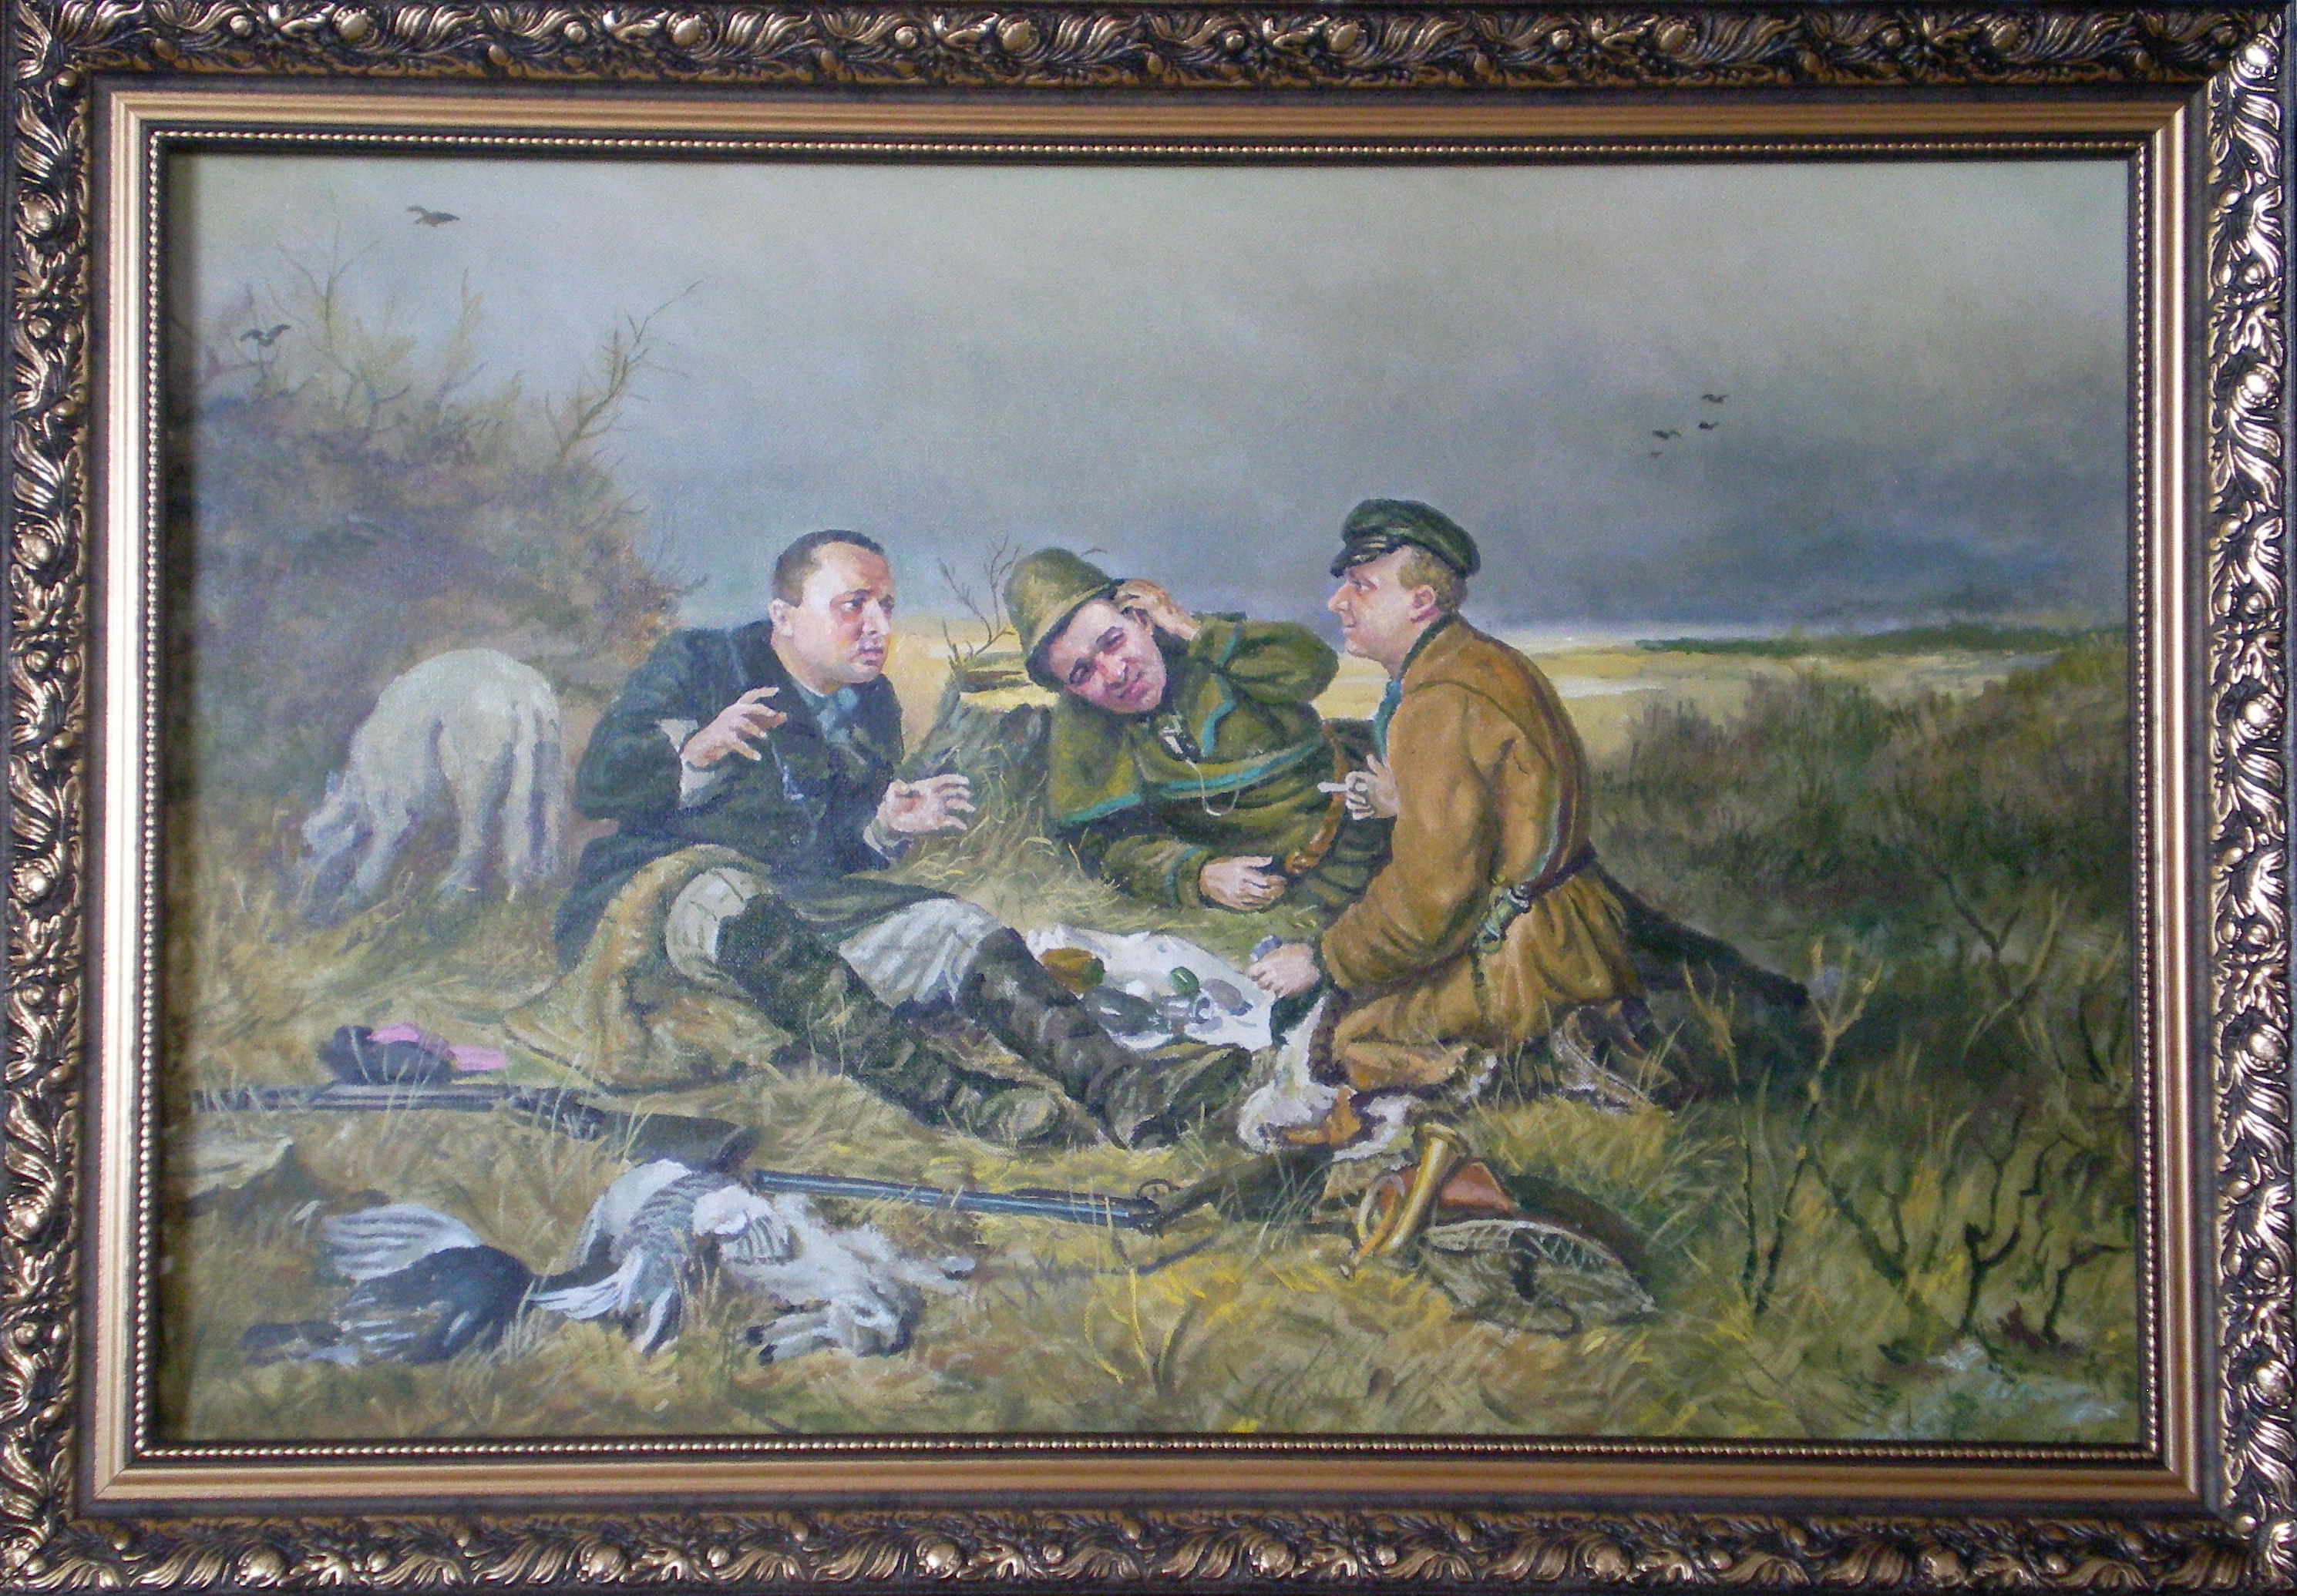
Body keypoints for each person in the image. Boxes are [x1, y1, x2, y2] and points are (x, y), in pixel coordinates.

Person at [532, 529, 1243, 1148]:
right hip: (657, 913)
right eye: (854, 605)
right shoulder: (701, 662)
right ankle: (962, 1101)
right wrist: (696, 752)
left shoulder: (871, 705)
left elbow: (827, 859)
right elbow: (598, 783)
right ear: (784, 617)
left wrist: (881, 827)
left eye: (888, 607)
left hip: (795, 922)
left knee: (952, 924)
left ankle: (1124, 1088)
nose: (878, 626)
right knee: (727, 892)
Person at [1246, 501, 1645, 1146]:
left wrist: (1322, 958)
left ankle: (1522, 1080)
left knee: (1342, 1036)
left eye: (1362, 586)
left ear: (1421, 601)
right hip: (1561, 922)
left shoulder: (1438, 701)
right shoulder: (1474, 662)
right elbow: (1497, 812)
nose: (1337, 602)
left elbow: (1430, 900)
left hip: (1529, 956)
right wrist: (1402, 803)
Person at [1005, 549, 1390, 917]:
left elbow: (1315, 667)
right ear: (1069, 689)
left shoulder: (1209, 643)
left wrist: (1189, 629)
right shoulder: (1084, 724)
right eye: (1082, 673)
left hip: (1366, 823)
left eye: (1113, 642)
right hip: (1276, 890)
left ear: (1141, 620)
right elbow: (1099, 843)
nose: (1115, 673)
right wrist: (1198, 875)